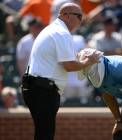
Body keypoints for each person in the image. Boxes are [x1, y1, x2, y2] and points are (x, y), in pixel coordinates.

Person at [21, 3, 99, 140]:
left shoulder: (53, 29)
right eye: (79, 16)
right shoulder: (62, 33)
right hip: (43, 89)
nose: (81, 21)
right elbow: (69, 66)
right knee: (45, 134)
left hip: (36, 87)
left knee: (42, 133)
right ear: (66, 15)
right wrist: (89, 61)